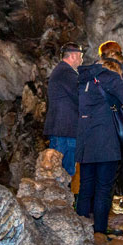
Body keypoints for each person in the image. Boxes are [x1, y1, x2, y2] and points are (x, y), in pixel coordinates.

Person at [75, 41, 123, 237]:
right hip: (106, 141)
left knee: (86, 187)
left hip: (85, 139)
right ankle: (100, 232)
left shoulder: (83, 77)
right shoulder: (111, 77)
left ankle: (81, 232)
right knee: (103, 188)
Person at [44, 42, 84, 176]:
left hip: (62, 131)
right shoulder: (66, 73)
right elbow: (81, 95)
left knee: (60, 172)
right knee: (63, 172)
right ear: (73, 56)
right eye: (80, 56)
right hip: (65, 131)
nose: (81, 60)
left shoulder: (61, 71)